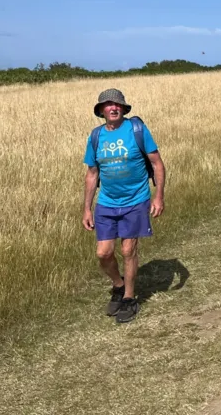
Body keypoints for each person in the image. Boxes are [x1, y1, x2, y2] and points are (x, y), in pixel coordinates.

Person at [82, 88, 166, 324]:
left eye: (117, 104)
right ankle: (118, 285)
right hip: (106, 203)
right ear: (101, 111)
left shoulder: (137, 130)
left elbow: (157, 164)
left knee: (129, 250)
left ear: (123, 108)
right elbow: (91, 173)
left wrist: (158, 195)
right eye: (108, 105)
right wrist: (87, 208)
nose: (113, 108)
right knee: (103, 253)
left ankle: (129, 298)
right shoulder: (96, 136)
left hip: (136, 200)